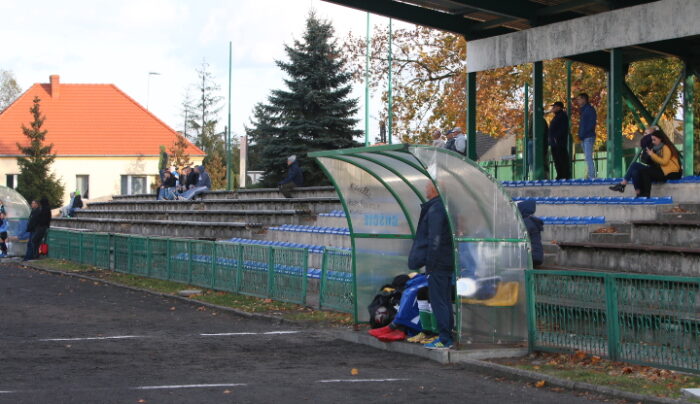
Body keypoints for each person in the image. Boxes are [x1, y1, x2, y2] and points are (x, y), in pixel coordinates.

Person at [408, 182, 455, 350]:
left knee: (439, 301)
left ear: (435, 189)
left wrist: (431, 263)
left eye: (427, 187)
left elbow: (434, 239)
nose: (425, 189)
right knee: (444, 300)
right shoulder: (443, 207)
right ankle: (447, 336)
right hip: (445, 261)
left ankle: (445, 338)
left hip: (438, 264)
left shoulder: (436, 210)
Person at [609, 125, 659, 194]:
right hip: (650, 168)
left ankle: (622, 184)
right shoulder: (648, 144)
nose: (644, 135)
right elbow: (645, 159)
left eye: (647, 134)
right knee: (634, 172)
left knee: (634, 165)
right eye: (644, 133)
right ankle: (638, 193)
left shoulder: (656, 144)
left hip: (657, 170)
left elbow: (651, 160)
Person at [637, 130, 681, 198]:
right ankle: (642, 194)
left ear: (660, 139)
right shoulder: (659, 148)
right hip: (665, 171)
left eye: (654, 140)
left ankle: (645, 194)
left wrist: (652, 155)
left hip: (672, 173)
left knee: (645, 172)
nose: (653, 142)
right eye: (652, 140)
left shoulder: (665, 147)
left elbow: (664, 162)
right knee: (643, 171)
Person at [576, 93, 597, 179]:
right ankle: (591, 175)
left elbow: (591, 123)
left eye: (579, 99)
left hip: (588, 137)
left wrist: (583, 134)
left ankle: (592, 176)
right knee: (587, 158)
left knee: (588, 157)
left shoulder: (589, 110)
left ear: (584, 99)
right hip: (584, 137)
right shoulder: (584, 110)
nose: (578, 101)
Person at [548, 101, 571, 180]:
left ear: (559, 107)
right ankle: (560, 175)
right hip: (554, 143)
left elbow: (563, 129)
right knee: (557, 160)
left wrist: (556, 138)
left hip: (559, 143)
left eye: (554, 107)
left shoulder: (562, 116)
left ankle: (564, 175)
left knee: (561, 159)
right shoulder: (557, 116)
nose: (552, 108)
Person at [518, 200, 544, 267]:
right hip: (537, 255)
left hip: (532, 256)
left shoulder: (525, 222)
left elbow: (518, 236)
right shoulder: (531, 221)